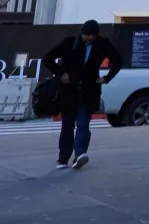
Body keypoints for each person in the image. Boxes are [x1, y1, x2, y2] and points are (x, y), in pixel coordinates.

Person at [42, 20, 123, 170]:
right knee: (67, 125)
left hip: (89, 89)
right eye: (87, 35)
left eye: (93, 35)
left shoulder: (102, 44)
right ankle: (63, 158)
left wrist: (106, 78)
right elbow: (47, 58)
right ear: (82, 33)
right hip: (69, 89)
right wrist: (61, 74)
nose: (90, 38)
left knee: (83, 124)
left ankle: (80, 154)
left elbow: (118, 61)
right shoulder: (70, 43)